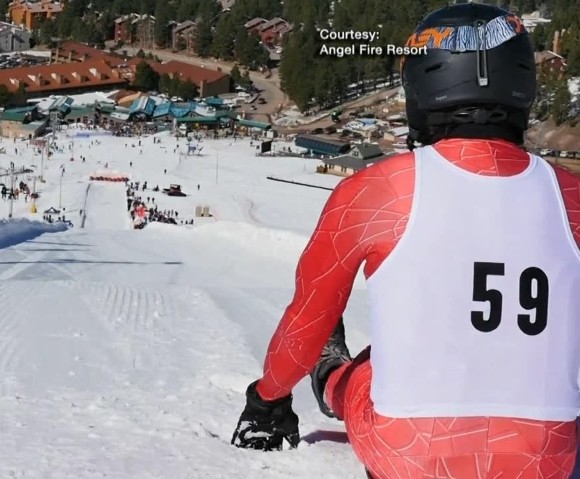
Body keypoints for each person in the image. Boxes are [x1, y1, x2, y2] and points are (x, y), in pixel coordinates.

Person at [230, 4, 579, 478]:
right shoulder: (572, 195)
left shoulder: (376, 189)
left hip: (411, 453)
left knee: (370, 368)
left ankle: (332, 377)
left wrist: (266, 399)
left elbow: (308, 319)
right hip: (546, 459)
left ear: (421, 86)